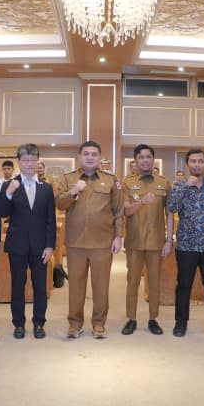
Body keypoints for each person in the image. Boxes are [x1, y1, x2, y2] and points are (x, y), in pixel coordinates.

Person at [56, 140, 124, 339]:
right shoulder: (68, 178)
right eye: (86, 153)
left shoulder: (111, 180)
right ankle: (75, 324)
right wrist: (73, 191)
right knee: (75, 287)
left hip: (102, 242)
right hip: (76, 242)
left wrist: (118, 236)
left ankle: (99, 324)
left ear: (99, 158)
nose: (90, 157)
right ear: (79, 156)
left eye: (94, 154)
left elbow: (118, 210)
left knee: (101, 286)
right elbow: (59, 203)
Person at [0, 144, 57, 339]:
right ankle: (19, 324)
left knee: (40, 286)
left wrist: (50, 245)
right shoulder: (10, 184)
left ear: (38, 162)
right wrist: (8, 193)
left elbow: (50, 219)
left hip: (41, 246)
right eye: (25, 160)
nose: (30, 164)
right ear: (19, 162)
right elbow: (2, 212)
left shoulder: (46, 188)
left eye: (33, 160)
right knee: (18, 286)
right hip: (18, 244)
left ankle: (39, 323)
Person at [167, 149, 204, 338]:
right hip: (186, 245)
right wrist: (186, 187)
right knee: (184, 286)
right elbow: (172, 208)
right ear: (187, 164)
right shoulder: (178, 186)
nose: (197, 164)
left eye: (200, 161)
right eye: (193, 161)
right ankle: (181, 322)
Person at [121, 144, 173, 335]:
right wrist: (141, 202)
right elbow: (126, 211)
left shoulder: (164, 182)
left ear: (153, 159)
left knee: (154, 282)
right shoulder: (127, 182)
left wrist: (169, 240)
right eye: (141, 157)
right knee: (132, 282)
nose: (145, 160)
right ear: (135, 161)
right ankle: (131, 318)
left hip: (156, 242)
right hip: (134, 241)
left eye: (148, 157)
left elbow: (169, 213)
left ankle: (153, 319)